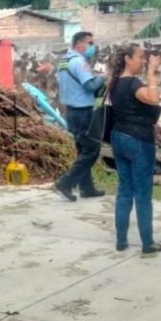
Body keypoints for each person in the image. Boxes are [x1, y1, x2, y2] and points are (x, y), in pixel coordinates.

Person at [108, 44, 161, 256]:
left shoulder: (114, 82)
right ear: (127, 58)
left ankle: (121, 240)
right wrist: (151, 73)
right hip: (139, 140)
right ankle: (147, 242)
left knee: (124, 190)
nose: (142, 61)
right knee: (143, 193)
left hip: (118, 138)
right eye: (140, 57)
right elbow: (153, 99)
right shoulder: (132, 83)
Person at [53, 31, 106, 202]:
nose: (92, 47)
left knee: (83, 150)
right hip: (83, 111)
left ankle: (86, 187)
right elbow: (90, 86)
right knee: (92, 150)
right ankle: (64, 183)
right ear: (79, 44)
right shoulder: (79, 61)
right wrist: (103, 78)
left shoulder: (64, 61)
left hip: (71, 111)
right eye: (90, 43)